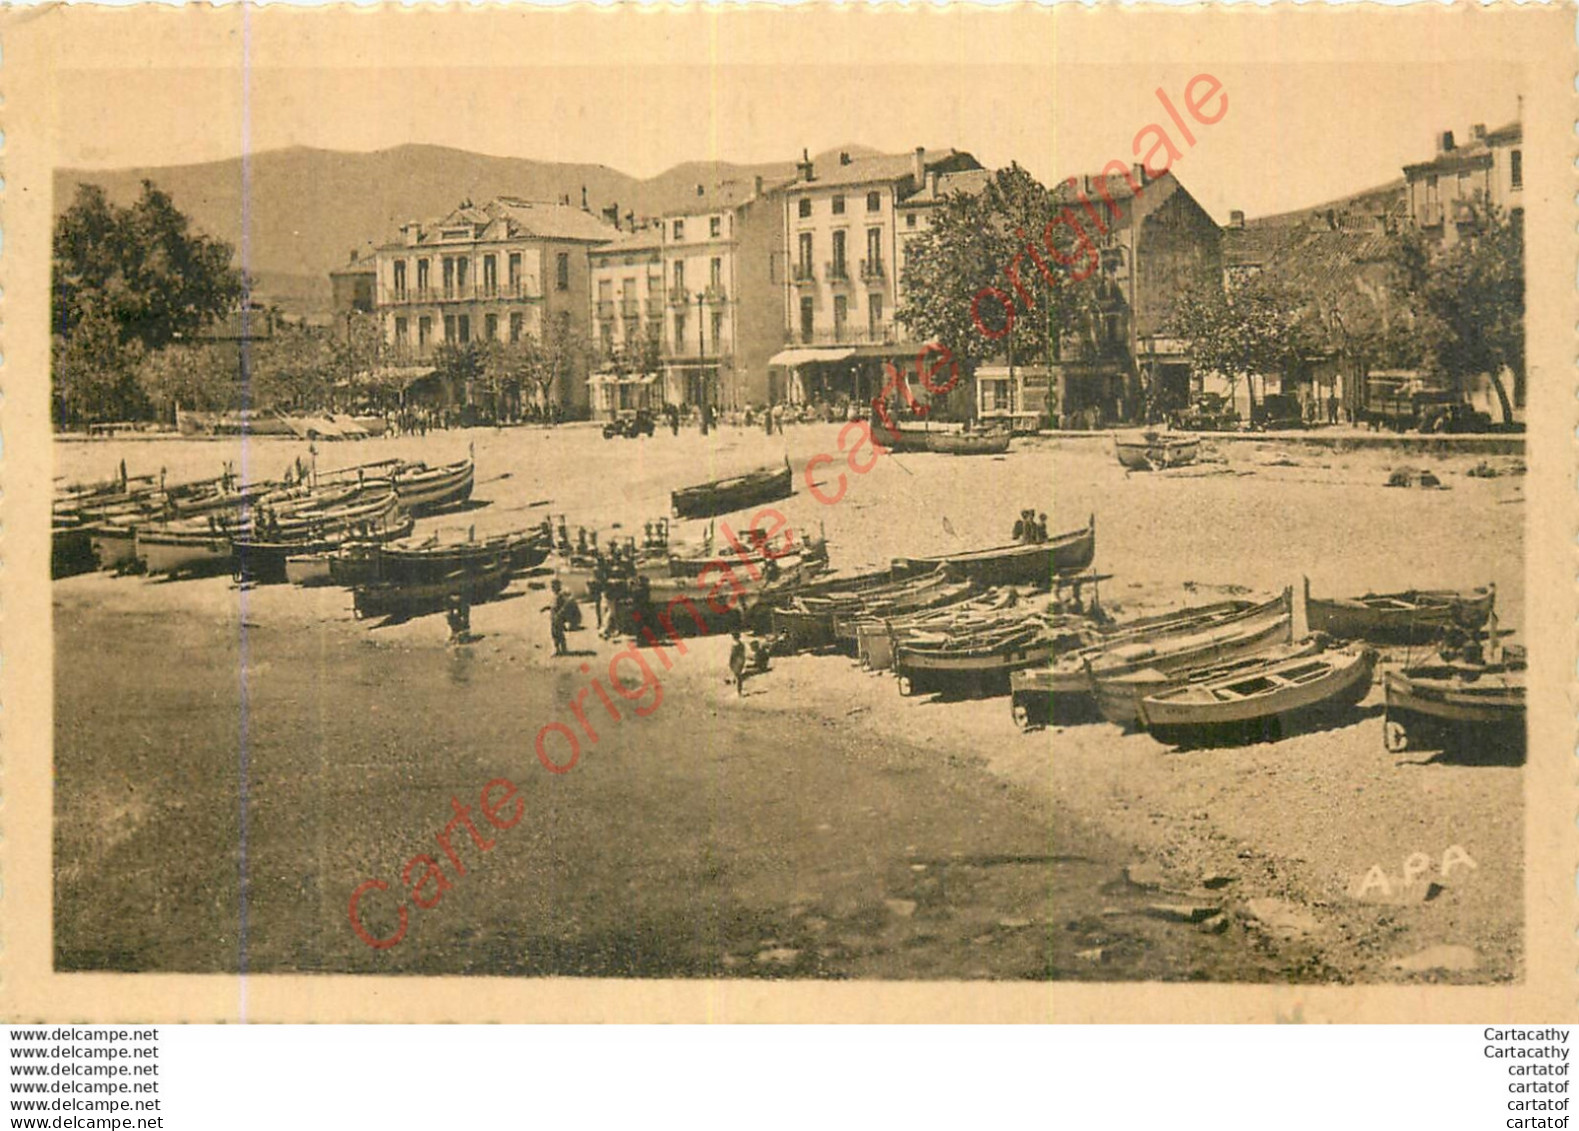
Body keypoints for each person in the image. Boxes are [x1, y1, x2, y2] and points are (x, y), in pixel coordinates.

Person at [545, 580, 571, 656]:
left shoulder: (560, 596)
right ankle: (558, 649)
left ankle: (563, 649)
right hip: (553, 617)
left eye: (554, 586)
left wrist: (560, 614)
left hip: (558, 617)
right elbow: (553, 605)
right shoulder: (554, 596)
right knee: (554, 633)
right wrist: (546, 608)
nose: (552, 588)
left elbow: (563, 606)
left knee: (559, 633)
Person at [728, 632, 749, 696]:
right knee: (738, 676)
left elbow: (732, 655)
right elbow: (743, 654)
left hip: (736, 661)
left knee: (738, 677)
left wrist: (731, 662)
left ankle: (739, 692)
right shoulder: (742, 644)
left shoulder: (734, 645)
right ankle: (738, 690)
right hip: (740, 660)